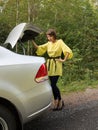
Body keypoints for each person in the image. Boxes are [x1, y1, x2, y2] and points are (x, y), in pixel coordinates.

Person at [32, 29, 73, 111]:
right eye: (48, 37)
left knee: (53, 84)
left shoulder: (60, 42)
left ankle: (60, 100)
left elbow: (67, 50)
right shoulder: (48, 44)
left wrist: (63, 60)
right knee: (52, 84)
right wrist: (32, 40)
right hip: (49, 65)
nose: (49, 38)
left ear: (54, 35)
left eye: (50, 36)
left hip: (57, 65)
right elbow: (39, 48)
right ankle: (56, 100)